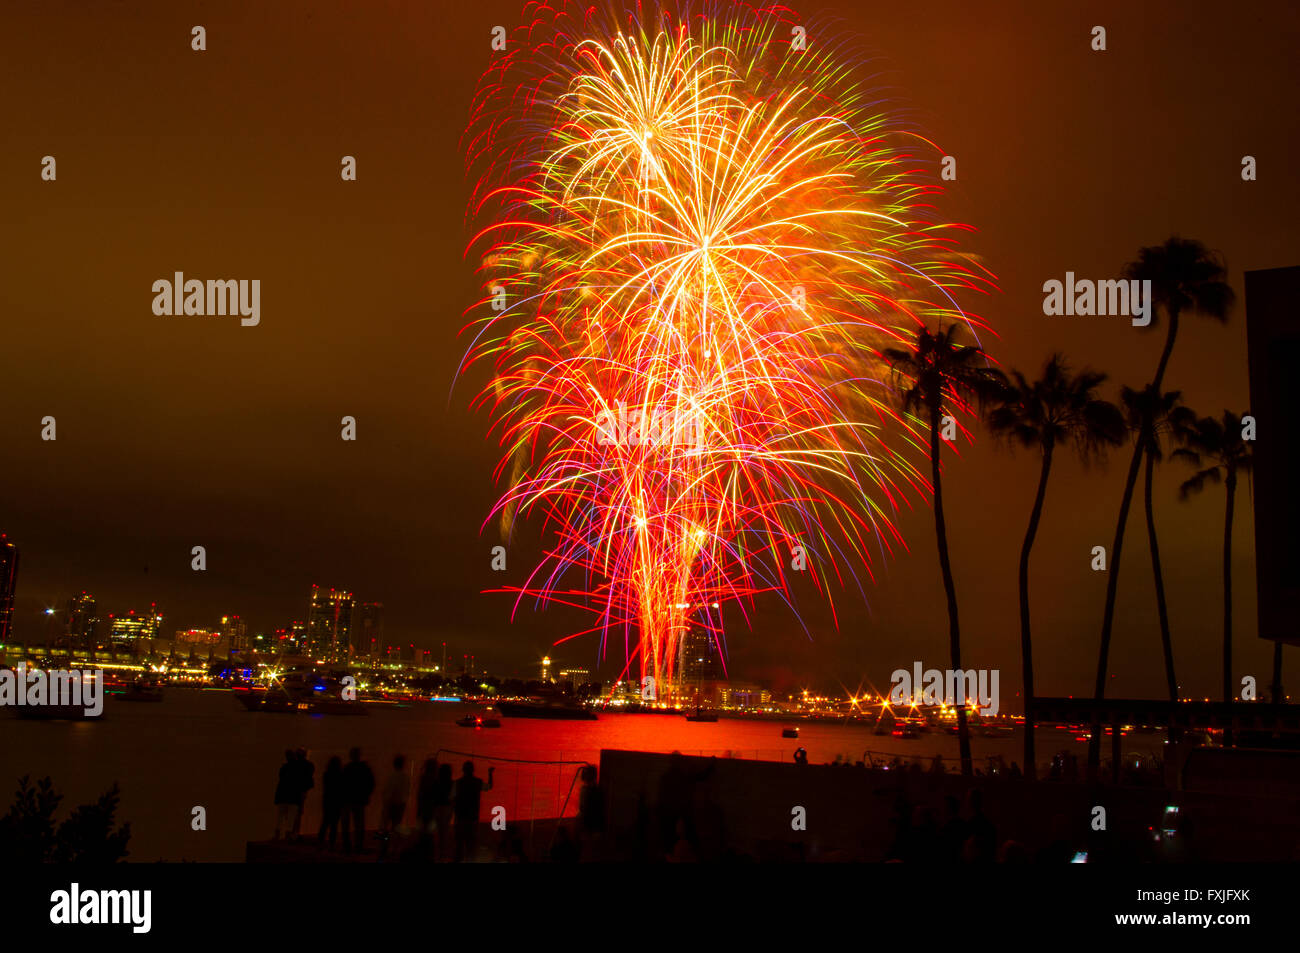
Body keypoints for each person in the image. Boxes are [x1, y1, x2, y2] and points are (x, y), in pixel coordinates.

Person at [452, 760, 494, 862]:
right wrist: (490, 774)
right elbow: (489, 786)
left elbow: (452, 799)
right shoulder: (477, 782)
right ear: (473, 770)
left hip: (460, 817)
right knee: (471, 844)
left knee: (459, 845)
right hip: (473, 818)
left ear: (463, 770)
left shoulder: (457, 783)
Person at [340, 747, 375, 854]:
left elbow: (341, 784)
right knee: (359, 825)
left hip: (347, 800)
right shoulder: (365, 768)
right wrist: (367, 794)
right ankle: (358, 846)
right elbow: (371, 783)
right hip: (360, 800)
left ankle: (347, 846)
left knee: (345, 824)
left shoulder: (347, 768)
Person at [317, 756, 344, 850]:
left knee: (325, 822)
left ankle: (320, 840)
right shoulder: (341, 775)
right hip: (337, 801)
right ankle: (331, 842)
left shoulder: (326, 774)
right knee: (334, 824)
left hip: (327, 800)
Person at [273, 750, 297, 839]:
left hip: (282, 795)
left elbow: (280, 781)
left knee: (280, 816)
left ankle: (277, 834)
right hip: (292, 796)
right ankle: (288, 834)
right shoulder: (297, 768)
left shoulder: (284, 768)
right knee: (291, 816)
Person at [292, 748, 314, 839]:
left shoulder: (294, 765)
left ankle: (293, 832)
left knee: (294, 812)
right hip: (302, 790)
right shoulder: (308, 765)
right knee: (298, 811)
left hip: (295, 790)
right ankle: (295, 832)